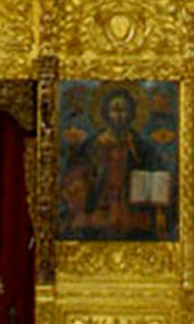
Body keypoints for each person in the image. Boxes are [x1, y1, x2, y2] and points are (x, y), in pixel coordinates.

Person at [60, 87, 167, 240]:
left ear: (132, 114)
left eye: (124, 110)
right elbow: (74, 175)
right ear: (105, 113)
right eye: (115, 110)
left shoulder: (140, 146)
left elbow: (156, 173)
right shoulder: (92, 145)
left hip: (131, 207)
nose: (119, 116)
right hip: (100, 204)